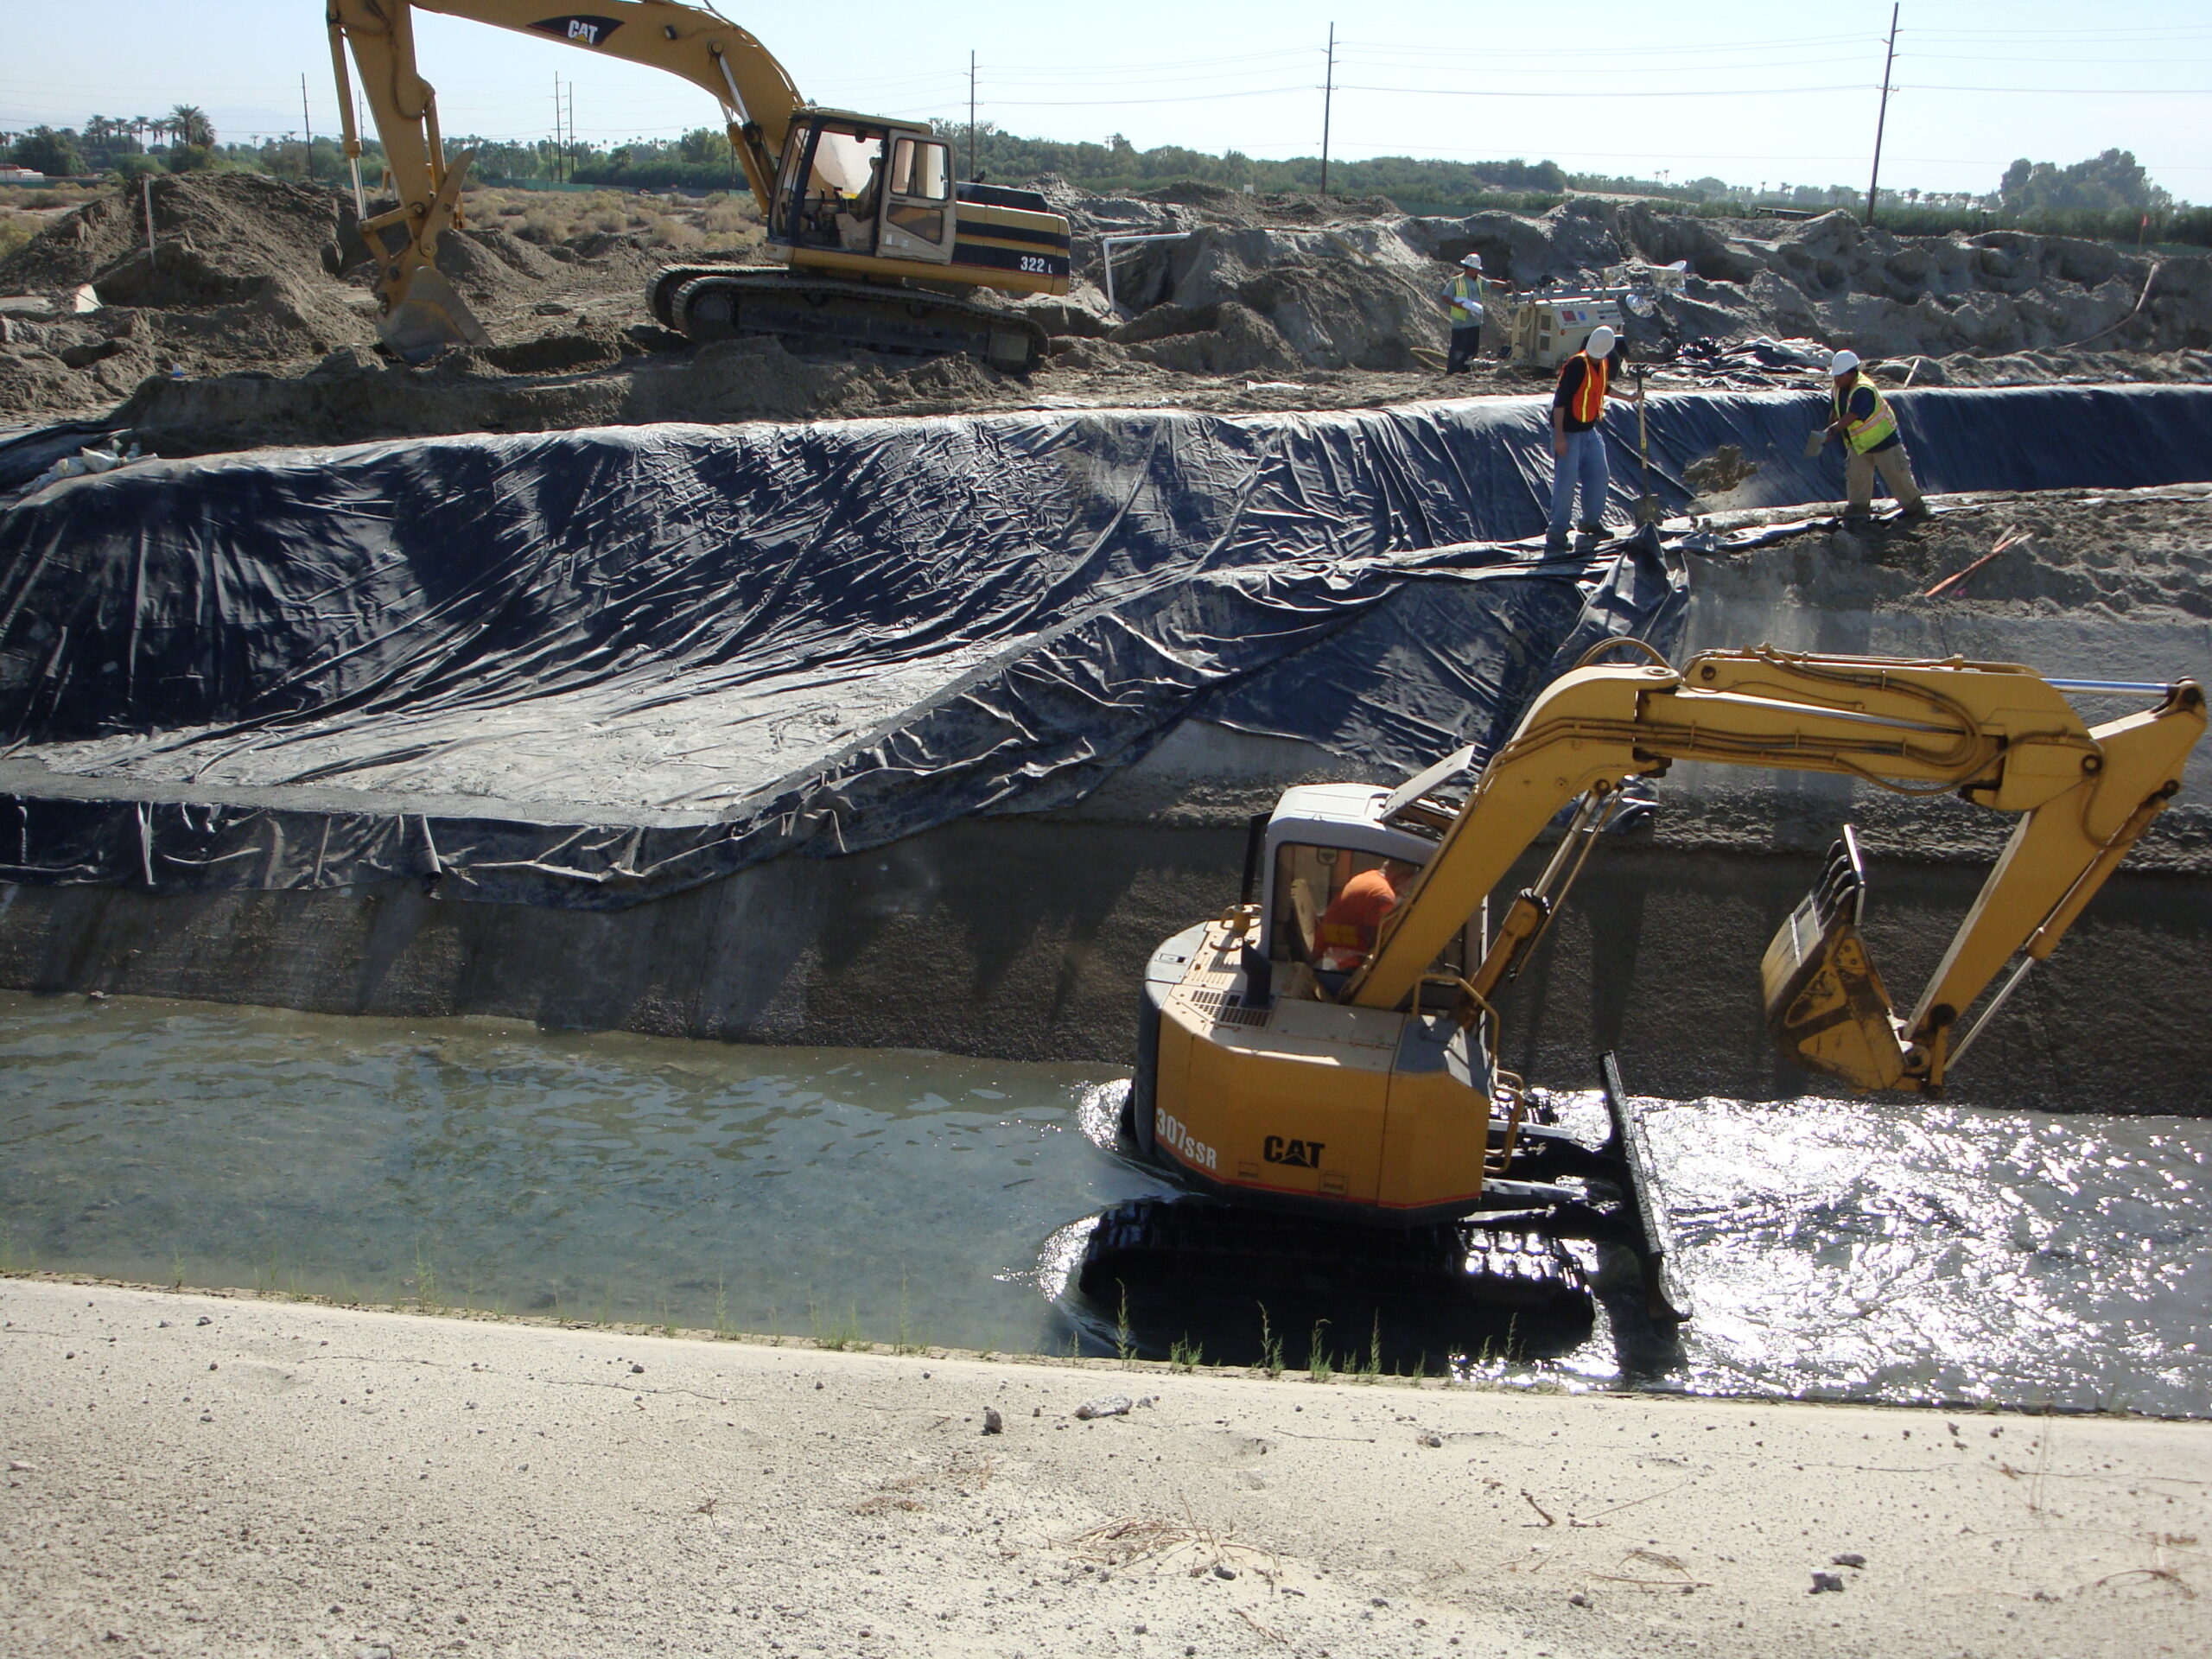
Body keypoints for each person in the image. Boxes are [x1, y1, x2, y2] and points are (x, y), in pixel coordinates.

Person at [1548, 324, 1640, 551]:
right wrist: (1559, 436)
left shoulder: (1603, 363)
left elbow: (1602, 388)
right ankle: (1557, 532)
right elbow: (1560, 402)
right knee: (1566, 483)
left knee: (1599, 474)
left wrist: (1629, 398)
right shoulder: (1577, 365)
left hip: (1589, 430)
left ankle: (1590, 522)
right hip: (1568, 431)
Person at [1819, 348, 1928, 524]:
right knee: (1856, 477)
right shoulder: (1838, 387)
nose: (1836, 379)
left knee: (1897, 476)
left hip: (1883, 441)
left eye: (1839, 376)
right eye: (1835, 376)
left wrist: (1832, 430)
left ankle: (1916, 508)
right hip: (1859, 443)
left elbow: (1852, 415)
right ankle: (1858, 509)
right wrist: (1831, 423)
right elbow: (1836, 409)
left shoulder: (1864, 389)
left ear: (1851, 373)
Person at [1315, 860, 1413, 973]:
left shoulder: (1368, 877)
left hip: (1328, 952)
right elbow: (1378, 942)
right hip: (1341, 965)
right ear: (1403, 877)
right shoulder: (1383, 895)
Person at [1442, 253, 1488, 373]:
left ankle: (1465, 371)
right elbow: (1445, 296)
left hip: (1474, 322)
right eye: (1476, 269)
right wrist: (1456, 304)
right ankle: (1453, 372)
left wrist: (1504, 284)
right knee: (1458, 349)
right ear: (1470, 268)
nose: (1477, 271)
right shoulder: (1457, 281)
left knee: (1471, 350)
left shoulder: (1478, 281)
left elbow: (1490, 283)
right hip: (1461, 323)